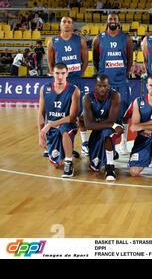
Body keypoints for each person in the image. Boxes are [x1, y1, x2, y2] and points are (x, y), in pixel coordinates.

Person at [48, 16, 89, 157]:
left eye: (69, 22)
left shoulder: (80, 40)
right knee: (59, 114)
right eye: (64, 21)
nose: (66, 24)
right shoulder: (53, 42)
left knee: (80, 115)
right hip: (61, 84)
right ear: (60, 24)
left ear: (72, 25)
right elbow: (51, 62)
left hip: (76, 81)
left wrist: (79, 74)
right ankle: (55, 145)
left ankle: (84, 143)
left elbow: (85, 60)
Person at [93, 13, 133, 155]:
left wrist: (124, 73)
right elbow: (95, 59)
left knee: (124, 114)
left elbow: (129, 59)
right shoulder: (99, 38)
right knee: (104, 114)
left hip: (121, 82)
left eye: (115, 19)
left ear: (119, 21)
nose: (112, 21)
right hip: (105, 84)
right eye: (110, 19)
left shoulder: (126, 38)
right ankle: (105, 142)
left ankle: (123, 143)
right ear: (107, 21)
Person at [38, 63, 80, 178]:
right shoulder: (44, 89)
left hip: (67, 124)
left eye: (62, 73)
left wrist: (51, 123)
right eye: (57, 73)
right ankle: (66, 150)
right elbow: (41, 113)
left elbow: (72, 117)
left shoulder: (74, 90)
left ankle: (69, 162)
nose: (60, 76)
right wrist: (40, 135)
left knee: (65, 130)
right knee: (57, 164)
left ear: (67, 73)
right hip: (51, 128)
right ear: (52, 73)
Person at [83, 74, 124, 181]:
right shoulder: (87, 98)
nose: (102, 88)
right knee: (94, 166)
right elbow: (88, 125)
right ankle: (111, 151)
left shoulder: (115, 96)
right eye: (99, 86)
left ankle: (110, 167)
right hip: (102, 127)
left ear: (109, 86)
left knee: (106, 133)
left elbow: (112, 119)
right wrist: (112, 125)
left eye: (105, 86)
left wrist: (112, 125)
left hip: (111, 128)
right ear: (95, 86)